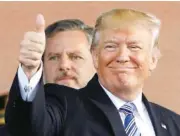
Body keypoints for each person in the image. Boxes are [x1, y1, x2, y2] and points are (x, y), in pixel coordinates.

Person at [5, 9, 180, 136]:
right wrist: (29, 70)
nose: (122, 57)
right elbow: (28, 127)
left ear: (153, 59)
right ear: (95, 56)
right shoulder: (65, 104)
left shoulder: (174, 123)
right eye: (111, 46)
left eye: (134, 47)